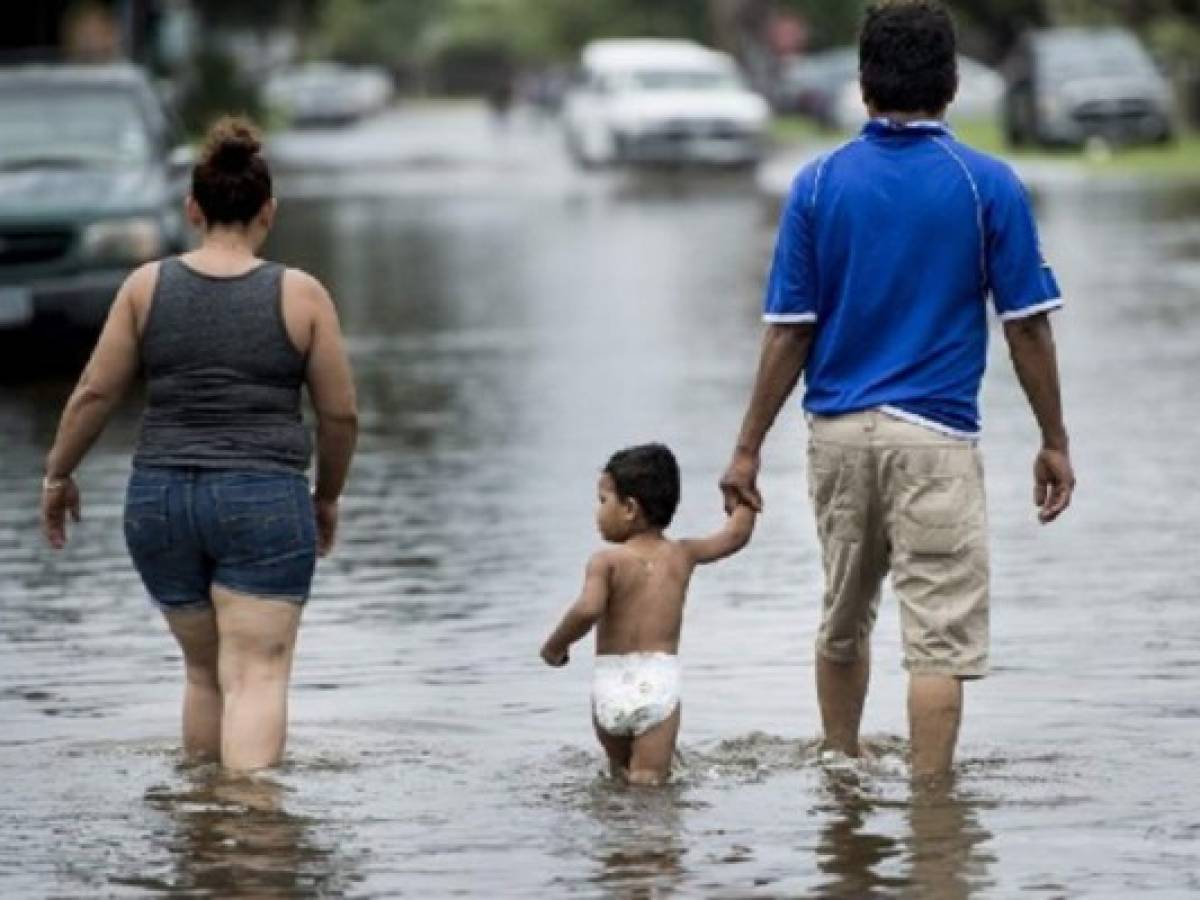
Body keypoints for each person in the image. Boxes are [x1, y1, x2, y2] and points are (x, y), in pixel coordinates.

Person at [719, 0, 1074, 779]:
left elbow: (788, 330)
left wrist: (746, 449)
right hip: (936, 441)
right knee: (938, 639)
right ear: (951, 82)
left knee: (842, 621)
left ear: (862, 83)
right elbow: (1025, 327)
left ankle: (841, 778)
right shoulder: (987, 184)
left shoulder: (816, 185)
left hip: (838, 436)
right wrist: (1053, 439)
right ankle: (934, 812)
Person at [40, 117, 358, 772]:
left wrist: (57, 475)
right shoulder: (301, 295)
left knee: (205, 672)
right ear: (268, 211)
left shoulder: (144, 287)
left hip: (158, 501)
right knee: (257, 675)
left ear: (192, 209)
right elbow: (340, 414)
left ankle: (203, 829)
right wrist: (325, 495)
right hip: (263, 498)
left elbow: (94, 395)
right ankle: (248, 836)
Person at [541, 443, 756, 785]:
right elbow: (735, 535)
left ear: (628, 508)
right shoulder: (683, 554)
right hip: (658, 683)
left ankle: (617, 833)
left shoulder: (606, 561)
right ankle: (651, 839)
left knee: (618, 777)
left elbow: (587, 609)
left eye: (602, 501)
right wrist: (743, 494)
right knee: (649, 783)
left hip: (610, 684)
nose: (598, 512)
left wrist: (554, 647)